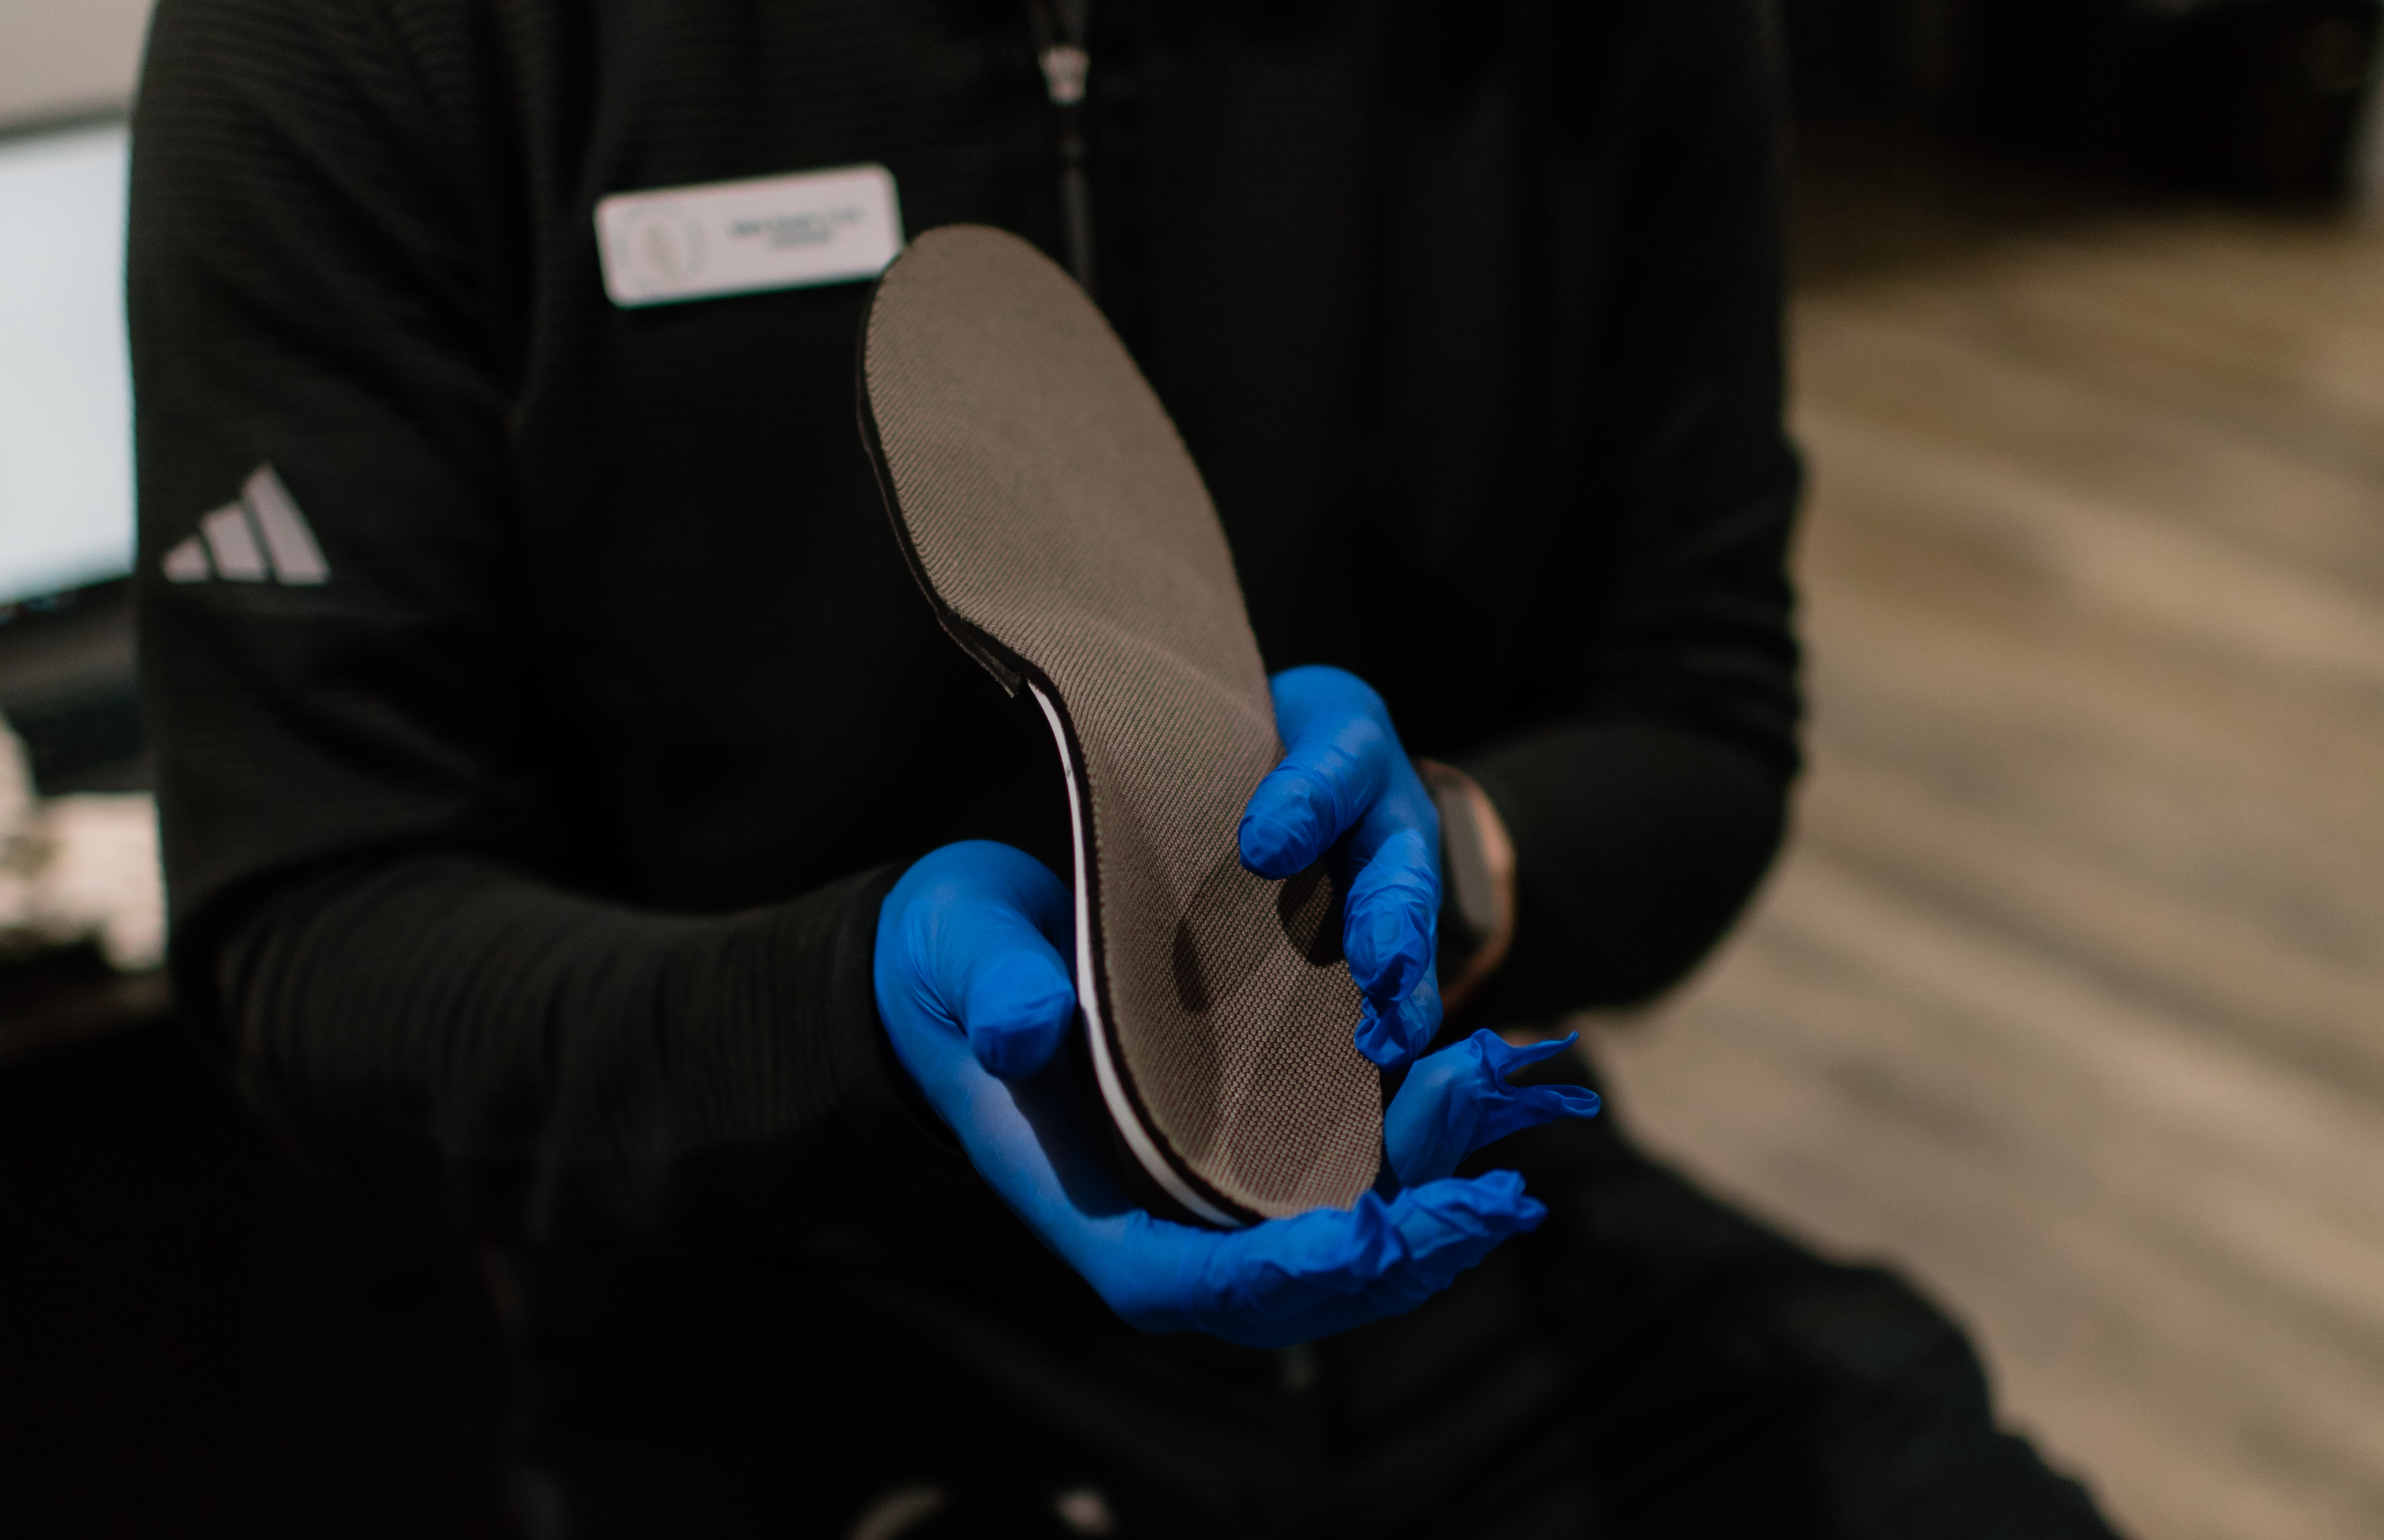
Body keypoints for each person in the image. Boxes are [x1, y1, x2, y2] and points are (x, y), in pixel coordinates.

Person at [129, 1, 2122, 1536]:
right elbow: (321, 923)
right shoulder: (377, 45)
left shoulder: (1590, 40)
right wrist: (845, 1013)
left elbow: (1700, 711)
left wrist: (1455, 859)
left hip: (1439, 1214)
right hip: (781, 1317)